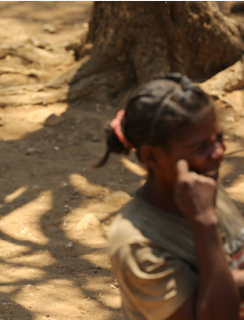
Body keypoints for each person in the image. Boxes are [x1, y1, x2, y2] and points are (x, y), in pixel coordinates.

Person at [97, 73, 244, 320]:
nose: (219, 153)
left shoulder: (203, 185)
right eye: (200, 147)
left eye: (218, 138)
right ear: (151, 157)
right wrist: (204, 222)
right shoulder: (136, 243)